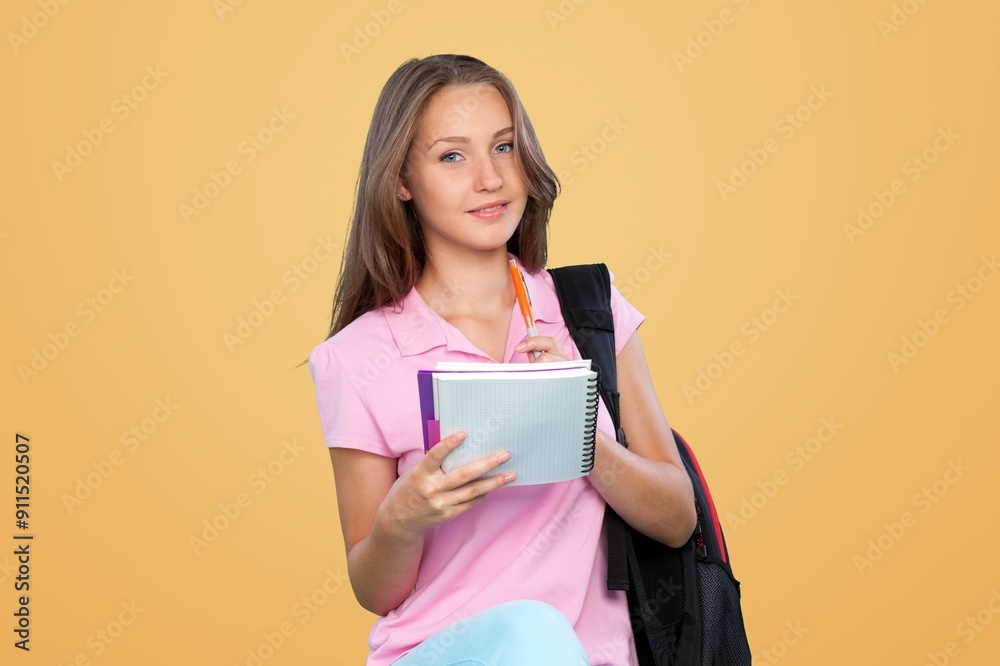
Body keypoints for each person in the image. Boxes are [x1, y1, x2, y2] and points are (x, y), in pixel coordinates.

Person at [307, 54, 697, 666]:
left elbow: (677, 519)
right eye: (452, 156)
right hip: (444, 653)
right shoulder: (355, 358)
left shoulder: (590, 311)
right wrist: (400, 522)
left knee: (541, 639)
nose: (489, 178)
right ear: (402, 180)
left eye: (504, 147)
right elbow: (376, 592)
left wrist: (581, 435)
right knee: (530, 634)